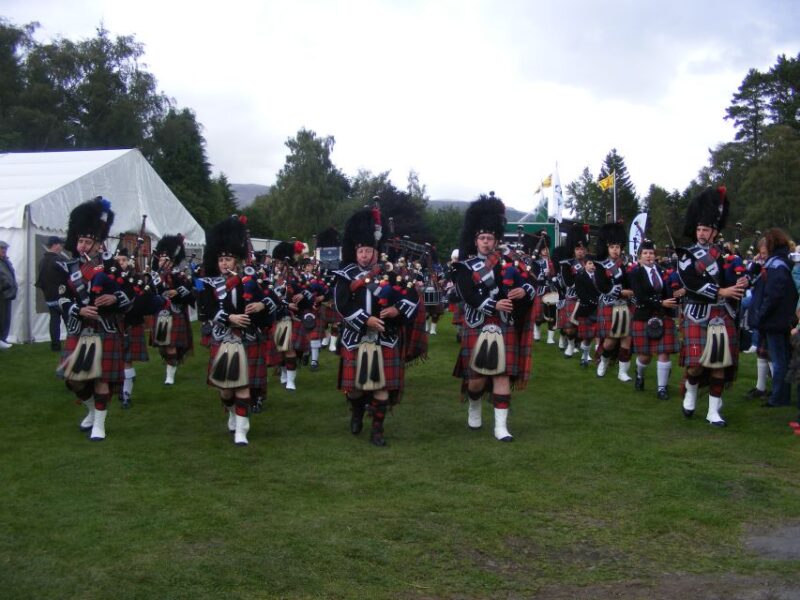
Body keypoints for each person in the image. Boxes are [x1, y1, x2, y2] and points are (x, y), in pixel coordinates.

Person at [333, 203, 419, 447]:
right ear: (355, 251)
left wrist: (396, 309)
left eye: (368, 251)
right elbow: (341, 306)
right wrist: (365, 319)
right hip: (356, 337)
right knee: (357, 389)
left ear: (375, 250)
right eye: (360, 251)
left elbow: (411, 298)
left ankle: (377, 431)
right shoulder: (346, 274)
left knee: (381, 387)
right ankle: (357, 412)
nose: (364, 256)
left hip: (386, 336)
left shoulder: (390, 273)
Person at [452, 192, 535, 442]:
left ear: (496, 239)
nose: (486, 242)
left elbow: (531, 283)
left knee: (502, 375)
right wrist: (493, 304)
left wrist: (525, 290)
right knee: (476, 380)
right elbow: (467, 294)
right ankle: (474, 405)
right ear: (475, 240)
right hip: (478, 323)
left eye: (490, 238)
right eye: (482, 238)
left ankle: (501, 428)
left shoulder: (510, 262)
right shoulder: (465, 267)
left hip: (504, 324)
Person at [56, 197, 132, 441]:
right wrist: (78, 310)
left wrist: (114, 299)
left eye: (88, 242)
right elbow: (61, 299)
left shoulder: (112, 267)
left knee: (101, 379)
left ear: (99, 244)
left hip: (105, 327)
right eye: (80, 241)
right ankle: (91, 409)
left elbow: (130, 298)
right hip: (79, 328)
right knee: (73, 379)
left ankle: (99, 424)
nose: (82, 246)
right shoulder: (69, 268)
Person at [199, 216, 278, 446]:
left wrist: (262, 304)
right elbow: (207, 308)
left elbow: (274, 298)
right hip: (223, 338)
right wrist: (229, 318)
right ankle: (233, 413)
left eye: (229, 259)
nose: (224, 263)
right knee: (226, 390)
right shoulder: (207, 283)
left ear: (237, 259)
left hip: (248, 338)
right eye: (221, 259)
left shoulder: (251, 278)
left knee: (244, 386)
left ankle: (242, 430)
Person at [677, 186, 748, 427]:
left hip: (721, 314)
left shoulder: (728, 256)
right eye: (698, 228)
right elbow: (690, 281)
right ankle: (690, 391)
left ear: (714, 231)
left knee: (719, 364)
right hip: (696, 313)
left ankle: (713, 412)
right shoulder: (687, 254)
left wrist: (741, 280)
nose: (700, 233)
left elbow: (735, 281)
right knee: (696, 366)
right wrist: (720, 291)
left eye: (705, 229)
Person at [748, 228, 798, 408]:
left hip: (775, 320)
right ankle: (781, 395)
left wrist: (761, 315)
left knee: (779, 361)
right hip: (782, 319)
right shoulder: (782, 262)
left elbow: (773, 295)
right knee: (782, 359)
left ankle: (779, 397)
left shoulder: (776, 265)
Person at [629, 239, 683, 399]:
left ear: (655, 255)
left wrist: (677, 295)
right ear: (639, 257)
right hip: (644, 316)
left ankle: (662, 388)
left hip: (663, 315)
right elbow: (640, 296)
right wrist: (660, 302)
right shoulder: (635, 273)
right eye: (645, 253)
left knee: (663, 352)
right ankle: (640, 375)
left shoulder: (663, 272)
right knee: (645, 356)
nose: (648, 256)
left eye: (651, 253)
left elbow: (669, 292)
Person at [150, 234, 195, 384]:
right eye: (161, 258)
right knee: (163, 346)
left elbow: (192, 291)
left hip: (176, 312)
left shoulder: (181, 274)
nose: (163, 261)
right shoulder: (153, 275)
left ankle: (170, 376)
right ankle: (171, 365)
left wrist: (178, 292)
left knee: (172, 346)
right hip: (160, 313)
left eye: (166, 258)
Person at [594, 222, 635, 382]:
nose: (615, 250)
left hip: (625, 305)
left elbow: (630, 283)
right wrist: (621, 292)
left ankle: (622, 372)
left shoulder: (625, 265)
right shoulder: (601, 265)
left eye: (618, 247)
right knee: (610, 341)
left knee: (626, 337)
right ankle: (603, 362)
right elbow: (602, 286)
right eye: (612, 247)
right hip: (609, 304)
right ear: (607, 247)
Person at [35, 236, 65, 351]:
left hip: (49, 296)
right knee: (68, 320)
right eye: (60, 244)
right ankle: (72, 344)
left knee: (54, 321)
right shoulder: (58, 260)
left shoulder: (42, 261)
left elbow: (40, 281)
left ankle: (55, 346)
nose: (61, 246)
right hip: (61, 296)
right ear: (55, 245)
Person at [0, 240, 18, 349]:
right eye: (2, 249)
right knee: (2, 318)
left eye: (5, 249)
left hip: (7, 294)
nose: (4, 251)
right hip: (2, 294)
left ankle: (3, 339)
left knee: (6, 318)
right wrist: (5, 286)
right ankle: (1, 340)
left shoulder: (6, 261)